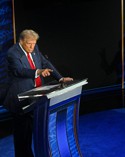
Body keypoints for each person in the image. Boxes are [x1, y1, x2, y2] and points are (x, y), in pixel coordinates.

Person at [3, 29, 73, 157]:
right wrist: (38, 72)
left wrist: (60, 78)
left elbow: (46, 63)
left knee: (36, 131)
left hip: (35, 98)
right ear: (22, 41)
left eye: (34, 43)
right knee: (22, 137)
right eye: (29, 43)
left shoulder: (35, 48)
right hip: (20, 100)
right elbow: (19, 71)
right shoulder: (12, 53)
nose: (32, 46)